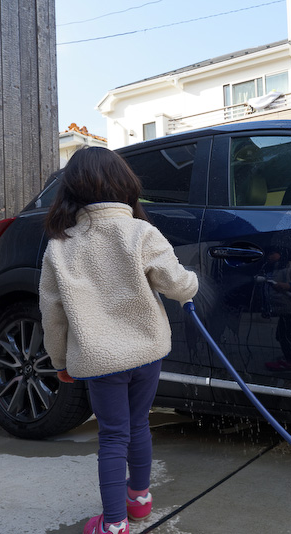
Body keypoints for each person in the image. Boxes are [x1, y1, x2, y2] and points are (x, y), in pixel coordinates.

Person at [39, 146, 198, 534]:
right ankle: (139, 501)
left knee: (112, 436)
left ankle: (113, 524)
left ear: (71, 190)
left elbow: (53, 315)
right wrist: (193, 282)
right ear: (125, 183)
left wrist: (60, 362)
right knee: (139, 424)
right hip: (146, 352)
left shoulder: (60, 246)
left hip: (99, 359)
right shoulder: (141, 232)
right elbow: (178, 285)